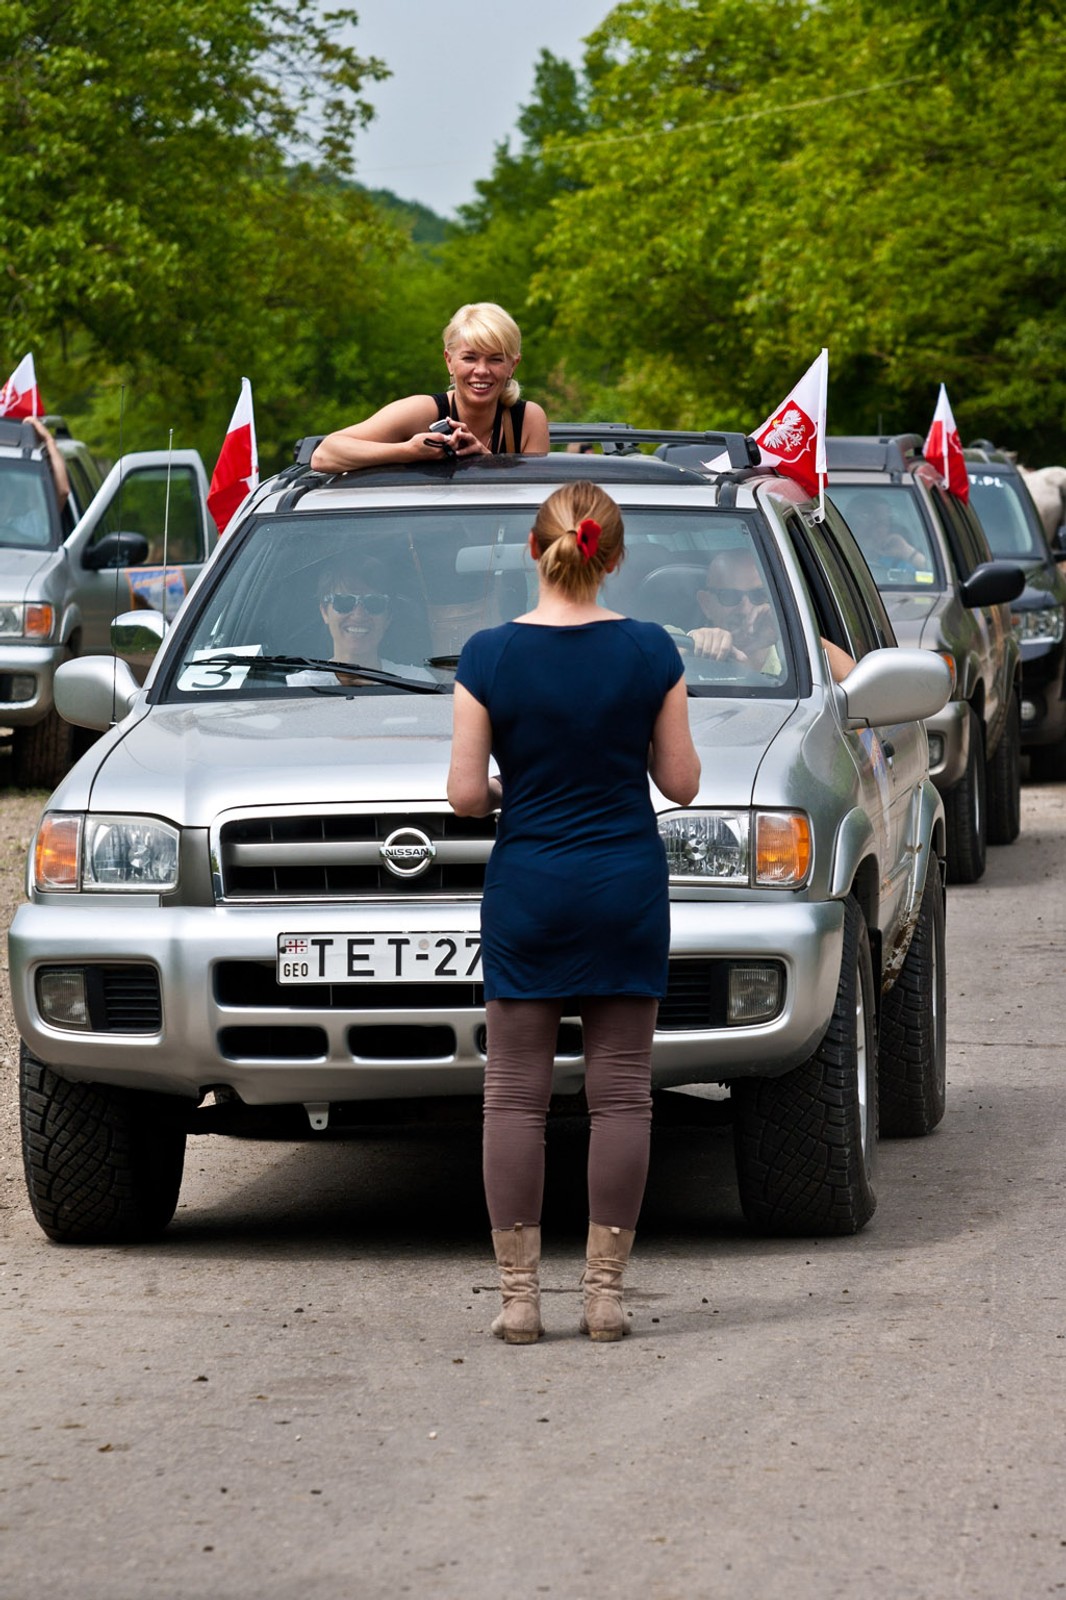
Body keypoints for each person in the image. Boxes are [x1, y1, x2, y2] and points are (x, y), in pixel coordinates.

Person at [447, 480, 701, 1345]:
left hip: (530, 887)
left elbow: (463, 797)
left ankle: (520, 1300)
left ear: (533, 549)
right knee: (621, 1096)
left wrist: (501, 787)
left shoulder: (487, 656)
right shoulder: (651, 651)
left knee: (514, 1097)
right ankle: (604, 1297)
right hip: (624, 886)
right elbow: (681, 782)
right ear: (614, 557)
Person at [310, 303, 550, 473]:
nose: (481, 370)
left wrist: (484, 462)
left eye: (495, 359)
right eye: (469, 358)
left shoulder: (528, 419)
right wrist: (409, 452)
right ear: (449, 361)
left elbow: (535, 503)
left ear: (512, 365)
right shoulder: (421, 411)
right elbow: (324, 455)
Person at [685, 549, 854, 684]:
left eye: (759, 595)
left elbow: (861, 692)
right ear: (706, 604)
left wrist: (790, 632)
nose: (745, 608)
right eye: (729, 596)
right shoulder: (676, 640)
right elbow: (659, 661)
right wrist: (692, 643)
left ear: (775, 600)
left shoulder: (797, 656)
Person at [287, 557, 433, 685]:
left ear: (388, 617)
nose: (358, 615)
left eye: (374, 603)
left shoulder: (419, 684)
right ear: (324, 612)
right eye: (344, 602)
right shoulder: (295, 687)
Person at [854, 493, 930, 573]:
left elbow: (934, 573)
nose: (872, 529)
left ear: (888, 528)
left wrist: (906, 551)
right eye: (866, 520)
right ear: (849, 525)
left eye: (881, 523)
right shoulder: (841, 561)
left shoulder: (898, 566)